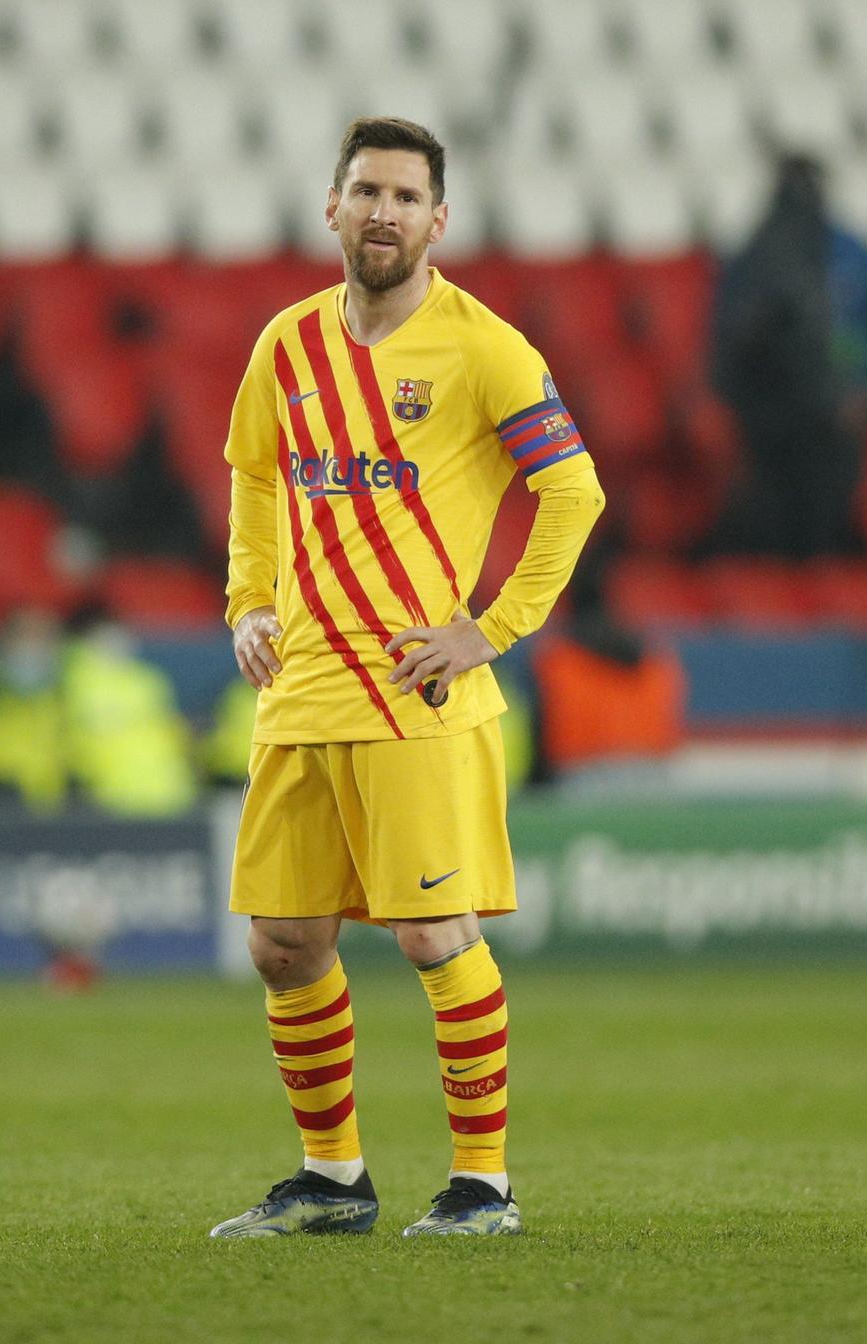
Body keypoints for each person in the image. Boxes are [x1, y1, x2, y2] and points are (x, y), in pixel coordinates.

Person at [209, 118, 605, 1239]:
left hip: (414, 698)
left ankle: (484, 1185)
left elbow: (572, 494)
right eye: (365, 190)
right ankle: (331, 1181)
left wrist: (490, 628)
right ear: (328, 206)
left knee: (434, 936)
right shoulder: (283, 346)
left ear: (439, 220)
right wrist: (249, 599)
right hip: (301, 695)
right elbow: (251, 480)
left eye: (404, 196)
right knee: (283, 944)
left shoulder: (484, 348)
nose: (382, 211)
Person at [705, 152, 867, 559]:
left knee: (824, 506)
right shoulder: (753, 258)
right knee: (769, 507)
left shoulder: (848, 256)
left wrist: (859, 385)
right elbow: (728, 332)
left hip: (832, 412)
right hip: (768, 414)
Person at [58, 603, 199, 819]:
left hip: (172, 796)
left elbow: (171, 734)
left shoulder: (148, 678)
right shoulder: (69, 681)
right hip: (107, 802)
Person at [0, 606, 69, 812]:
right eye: (24, 635)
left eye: (42, 637)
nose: (33, 647)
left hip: (57, 815)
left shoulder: (67, 702)